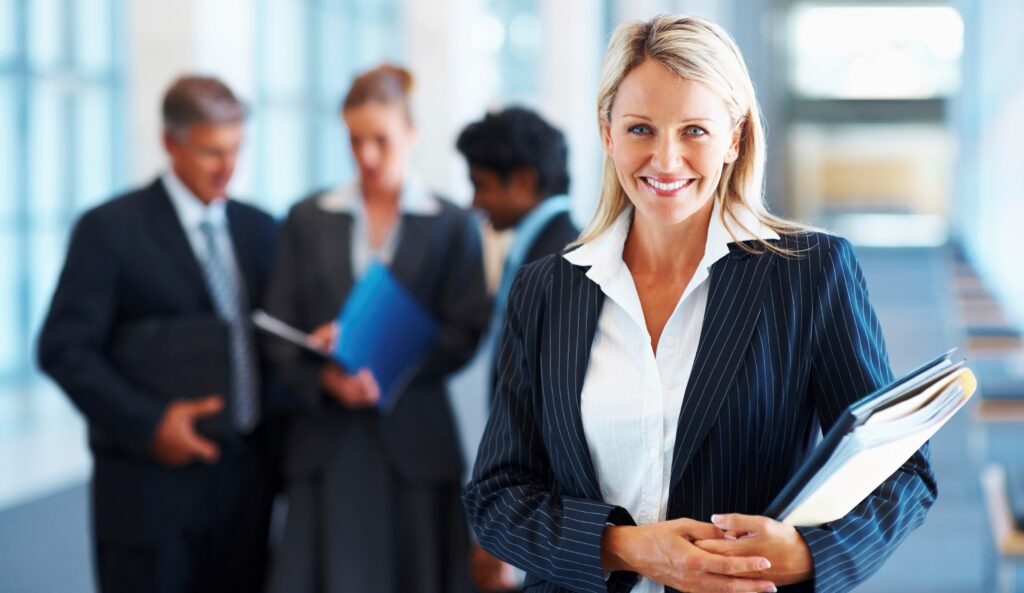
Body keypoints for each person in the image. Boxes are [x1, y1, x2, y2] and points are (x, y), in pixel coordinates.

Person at [463, 15, 937, 593]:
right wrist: (626, 547)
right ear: (606, 130)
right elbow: (496, 494)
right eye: (641, 129)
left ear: (734, 137)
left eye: (694, 130)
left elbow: (902, 469)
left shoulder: (810, 274)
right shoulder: (546, 290)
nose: (665, 161)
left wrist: (809, 553)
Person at [37, 76, 281, 593]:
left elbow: (272, 341)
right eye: (212, 152)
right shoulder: (110, 230)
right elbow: (63, 348)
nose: (228, 168)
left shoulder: (260, 229)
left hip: (245, 482)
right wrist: (150, 425)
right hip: (148, 491)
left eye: (237, 150)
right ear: (171, 143)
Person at [264, 63, 489, 593]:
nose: (366, 156)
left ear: (411, 135)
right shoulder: (308, 217)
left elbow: (466, 328)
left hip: (413, 441)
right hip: (327, 440)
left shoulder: (452, 224)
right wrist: (324, 375)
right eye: (355, 140)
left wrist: (391, 363)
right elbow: (277, 326)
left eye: (380, 140)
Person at [456, 107, 580, 593]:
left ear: (525, 182)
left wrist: (504, 535)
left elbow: (548, 414)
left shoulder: (558, 263)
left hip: (543, 517)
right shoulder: (536, 252)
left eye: (482, 184)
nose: (474, 202)